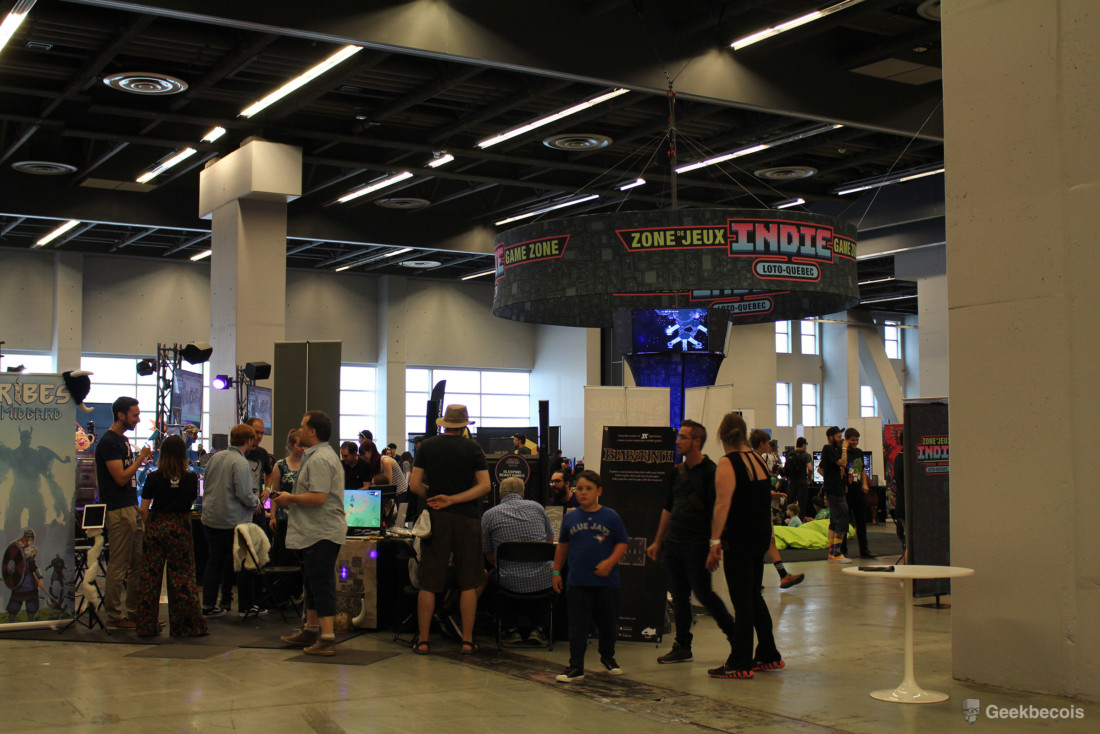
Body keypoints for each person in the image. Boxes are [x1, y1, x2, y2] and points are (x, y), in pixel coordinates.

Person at [646, 419, 736, 665]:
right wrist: (658, 541)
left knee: (704, 594)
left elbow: (719, 510)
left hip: (696, 544)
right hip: (673, 544)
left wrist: (714, 546)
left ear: (697, 441)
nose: (678, 441)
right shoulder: (677, 472)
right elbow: (668, 508)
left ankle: (736, 638)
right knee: (680, 597)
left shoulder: (711, 472)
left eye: (683, 437)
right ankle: (683, 646)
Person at [706, 412, 783, 679]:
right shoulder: (758, 459)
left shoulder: (728, 462)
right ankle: (768, 653)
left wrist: (715, 540)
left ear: (722, 435)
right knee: (753, 595)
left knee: (742, 600)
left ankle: (740, 661)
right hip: (759, 535)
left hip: (739, 538)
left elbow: (722, 504)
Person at [409, 404, 491, 655]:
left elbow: (414, 485)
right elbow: (485, 486)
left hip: (437, 519)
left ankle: (424, 641)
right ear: (464, 425)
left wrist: (436, 497)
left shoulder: (427, 447)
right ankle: (467, 641)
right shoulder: (473, 449)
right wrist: (454, 499)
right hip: (467, 519)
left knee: (429, 581)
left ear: (444, 424)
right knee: (468, 581)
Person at [275, 411, 347, 656]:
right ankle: (311, 629)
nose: (299, 429)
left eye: (303, 426)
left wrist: (290, 498)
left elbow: (319, 497)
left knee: (321, 583)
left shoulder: (320, 459)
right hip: (315, 530)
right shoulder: (317, 455)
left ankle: (327, 638)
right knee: (312, 581)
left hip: (322, 531)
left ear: (313, 431)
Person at [552, 470, 629, 683]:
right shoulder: (570, 518)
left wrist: (609, 563)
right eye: (579, 488)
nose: (583, 493)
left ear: (599, 491)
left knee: (608, 624)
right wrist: (556, 571)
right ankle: (576, 666)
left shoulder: (611, 516)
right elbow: (563, 546)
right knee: (578, 626)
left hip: (607, 583)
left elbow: (622, 543)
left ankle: (608, 656)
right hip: (578, 582)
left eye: (589, 489)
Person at [134, 434, 207, 638]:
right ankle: (186, 626)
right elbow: (190, 501)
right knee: (183, 577)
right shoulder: (191, 478)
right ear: (184, 454)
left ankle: (146, 625)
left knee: (150, 577)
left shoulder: (153, 477)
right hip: (180, 526)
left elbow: (143, 508)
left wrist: (150, 525)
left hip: (157, 525)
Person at [95, 396, 152, 630]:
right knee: (119, 564)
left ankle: (135, 612)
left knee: (138, 563)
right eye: (135, 415)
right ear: (121, 415)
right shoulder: (109, 442)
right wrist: (141, 459)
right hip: (118, 509)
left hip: (130, 506)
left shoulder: (123, 441)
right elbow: (120, 477)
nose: (138, 419)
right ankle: (114, 615)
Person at [200, 423, 265, 618]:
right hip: (233, 521)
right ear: (249, 441)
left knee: (214, 562)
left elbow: (206, 484)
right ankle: (245, 607)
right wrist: (256, 503)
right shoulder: (241, 462)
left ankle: (208, 605)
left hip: (211, 519)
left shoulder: (215, 458)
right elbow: (244, 494)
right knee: (244, 563)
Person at [481, 476, 554, 646]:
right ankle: (539, 628)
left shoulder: (489, 515)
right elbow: (549, 543)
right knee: (554, 577)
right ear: (523, 495)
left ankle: (510, 628)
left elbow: (489, 556)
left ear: (500, 495)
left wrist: (509, 566)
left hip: (508, 582)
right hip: (543, 579)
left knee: (491, 578)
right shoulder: (538, 508)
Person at [750, 430, 804, 590]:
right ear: (762, 443)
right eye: (768, 443)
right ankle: (762, 579)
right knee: (764, 543)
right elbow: (757, 488)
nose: (770, 446)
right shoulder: (757, 461)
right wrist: (773, 494)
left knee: (768, 542)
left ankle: (778, 576)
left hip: (761, 507)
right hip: (759, 508)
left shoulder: (755, 460)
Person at [268, 429, 304, 564]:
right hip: (284, 518)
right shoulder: (280, 465)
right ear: (291, 445)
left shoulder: (309, 464)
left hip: (303, 518)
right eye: (299, 445)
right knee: (283, 556)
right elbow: (275, 492)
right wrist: (272, 516)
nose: (303, 448)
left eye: (305, 445)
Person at [840, 428, 875, 559]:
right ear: (846, 439)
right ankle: (843, 550)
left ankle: (864, 549)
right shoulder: (842, 452)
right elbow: (841, 468)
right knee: (845, 520)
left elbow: (862, 469)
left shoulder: (859, 452)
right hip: (846, 491)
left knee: (861, 520)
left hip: (857, 489)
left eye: (857, 440)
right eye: (852, 440)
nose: (855, 442)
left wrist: (864, 483)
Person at [819, 426, 852, 563]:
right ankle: (836, 553)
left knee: (834, 521)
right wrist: (844, 448)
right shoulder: (828, 449)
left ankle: (833, 553)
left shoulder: (831, 450)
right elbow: (843, 463)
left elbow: (820, 469)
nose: (841, 439)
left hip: (835, 488)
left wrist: (831, 478)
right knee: (842, 519)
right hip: (834, 490)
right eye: (838, 437)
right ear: (831, 437)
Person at [783, 438, 813, 528]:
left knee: (789, 502)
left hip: (791, 482)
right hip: (802, 482)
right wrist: (808, 475)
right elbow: (810, 468)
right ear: (803, 445)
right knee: (802, 504)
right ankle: (800, 522)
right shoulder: (806, 455)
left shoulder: (790, 454)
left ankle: (786, 521)